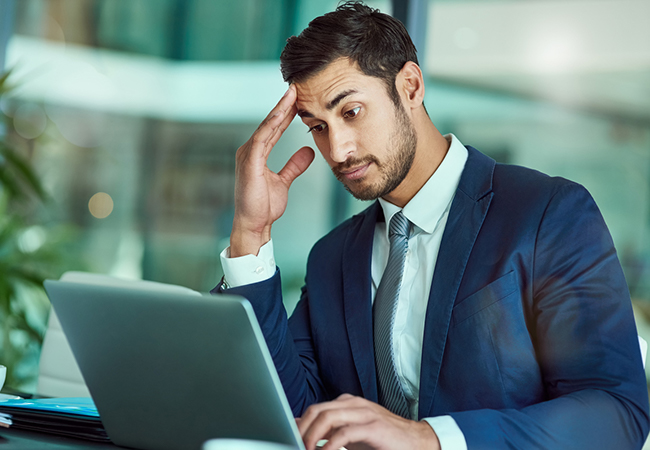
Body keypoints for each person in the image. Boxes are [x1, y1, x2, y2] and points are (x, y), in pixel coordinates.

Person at [214, 2, 649, 449]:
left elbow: (616, 412)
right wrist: (250, 233)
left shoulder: (547, 213)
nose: (338, 149)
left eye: (351, 112)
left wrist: (430, 439)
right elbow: (290, 411)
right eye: (317, 128)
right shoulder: (333, 257)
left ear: (410, 86)